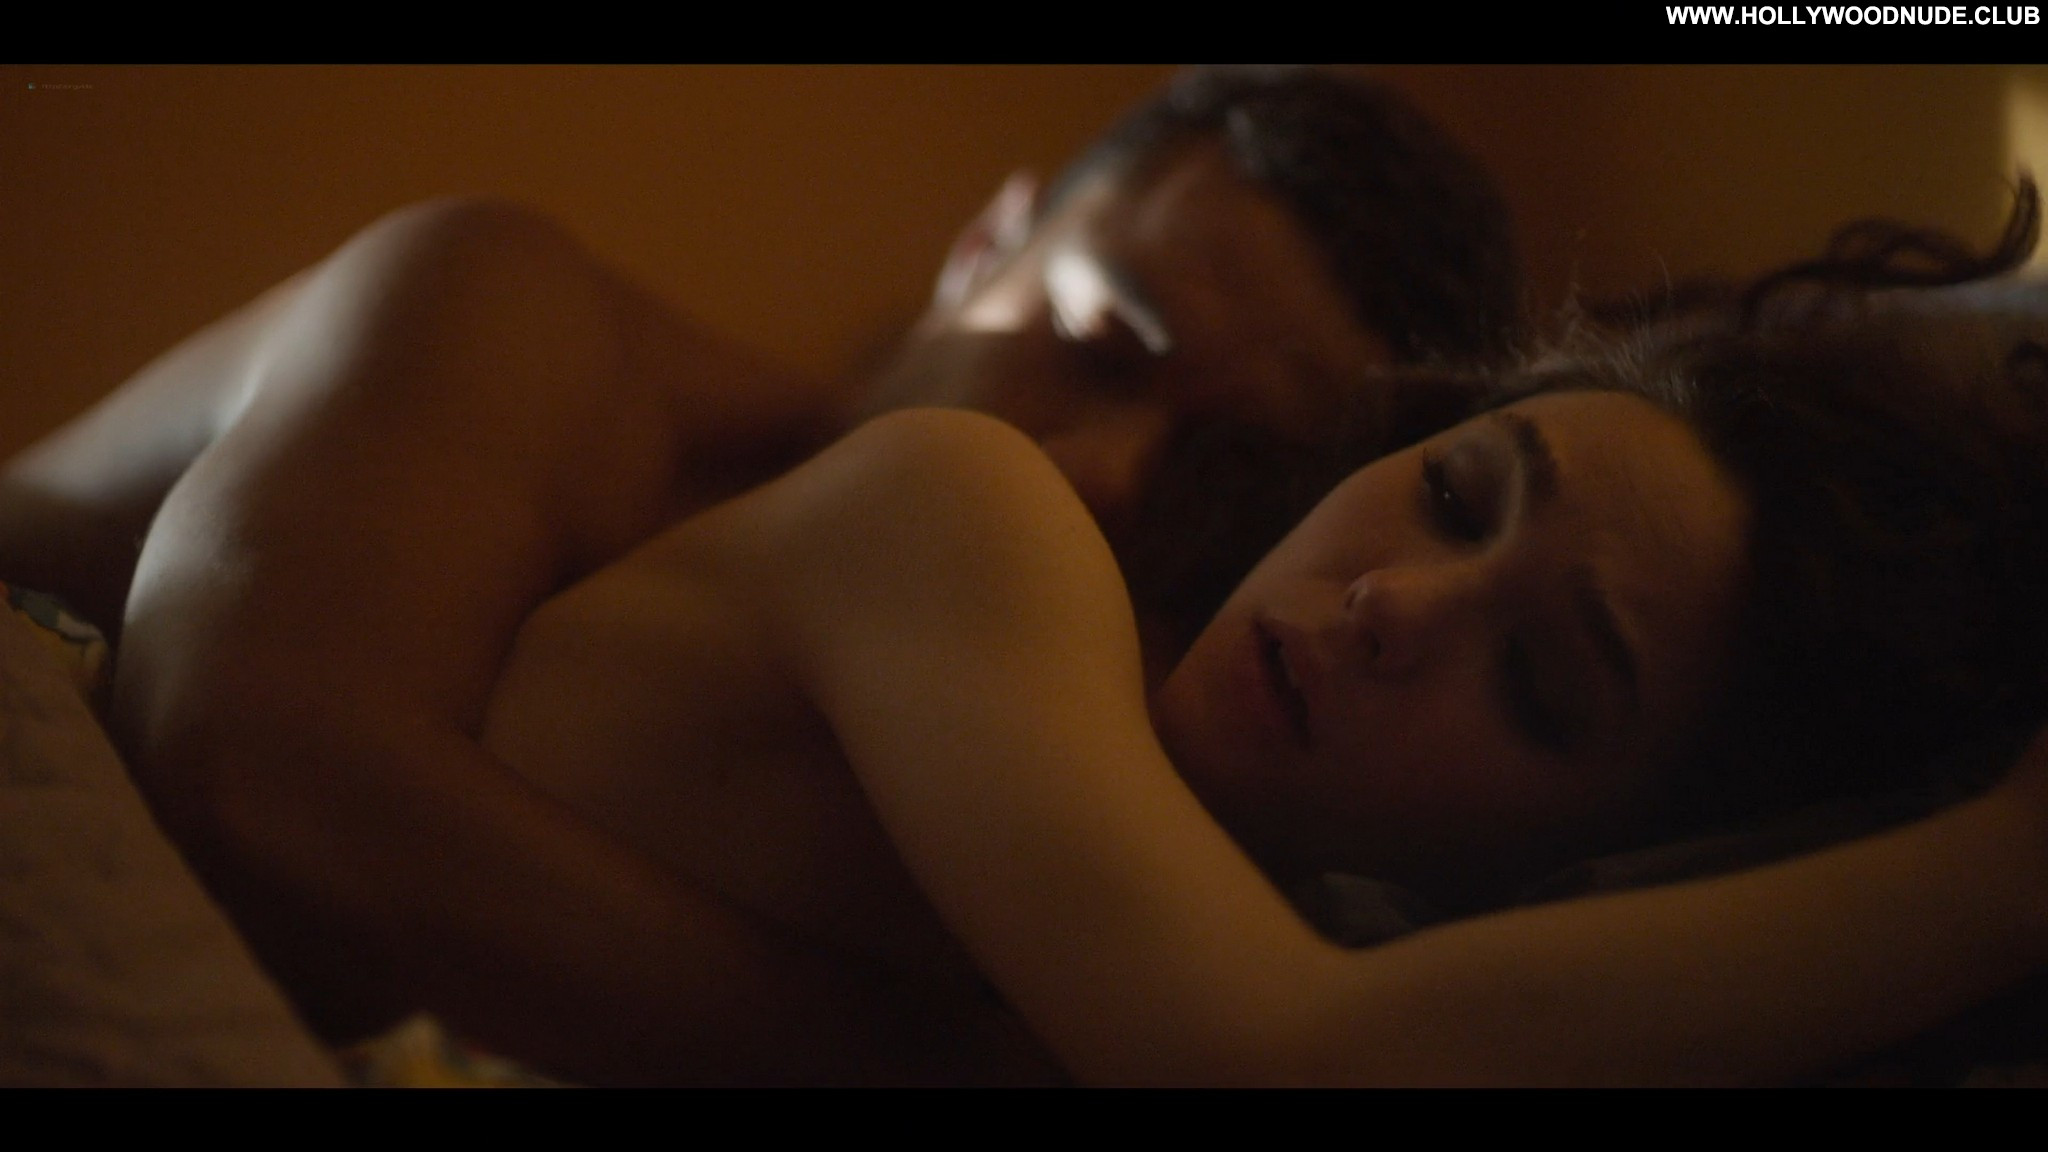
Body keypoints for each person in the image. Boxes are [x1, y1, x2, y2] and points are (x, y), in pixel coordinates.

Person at [0, 68, 1517, 1084]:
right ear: (981, 247)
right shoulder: (512, 316)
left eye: (1231, 475)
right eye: (1100, 343)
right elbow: (248, 771)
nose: (1111, 477)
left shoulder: (1053, 773)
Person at [468, 187, 2048, 1084]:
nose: (1392, 605)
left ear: (1587, 874)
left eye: (1536, 679)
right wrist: (2002, 871)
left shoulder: (1252, 924)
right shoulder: (966, 517)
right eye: (1451, 494)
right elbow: (1275, 1062)